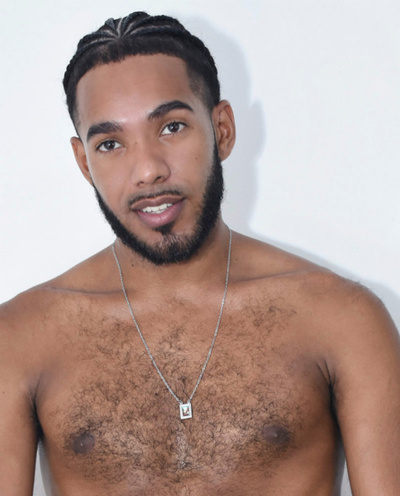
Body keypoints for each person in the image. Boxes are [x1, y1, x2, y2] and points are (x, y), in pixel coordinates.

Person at [1, 11, 399, 495]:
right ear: (85, 162)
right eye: (110, 144)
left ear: (222, 130)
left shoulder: (342, 319)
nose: (147, 170)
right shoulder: (20, 338)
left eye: (171, 127)